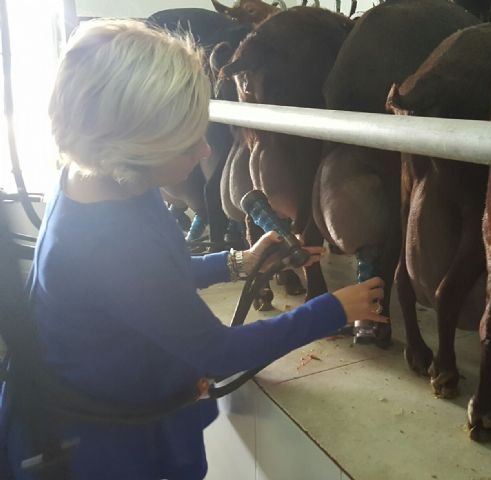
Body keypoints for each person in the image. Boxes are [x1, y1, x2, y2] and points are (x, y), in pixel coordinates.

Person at [1, 18, 387, 480]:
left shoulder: (106, 182)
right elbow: (217, 351)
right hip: (104, 448)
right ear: (135, 146)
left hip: (122, 399)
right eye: (187, 142)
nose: (206, 151)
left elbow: (154, 277)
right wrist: (334, 310)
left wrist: (236, 262)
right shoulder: (108, 240)